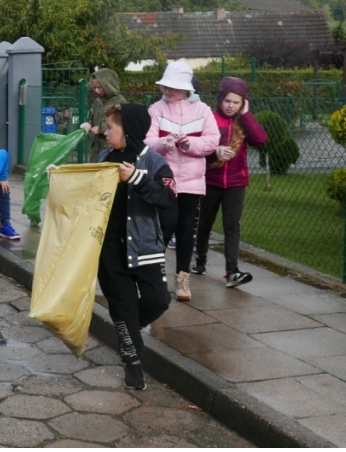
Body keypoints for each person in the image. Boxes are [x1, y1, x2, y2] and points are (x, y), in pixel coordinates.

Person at [95, 103, 176, 390]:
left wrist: (136, 179)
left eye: (111, 128)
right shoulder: (104, 157)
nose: (106, 133)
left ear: (127, 131)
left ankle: (129, 330)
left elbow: (167, 199)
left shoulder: (154, 162)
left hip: (145, 248)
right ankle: (132, 364)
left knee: (159, 300)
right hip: (109, 251)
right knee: (122, 307)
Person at [145, 61, 219, 302]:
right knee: (163, 229)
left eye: (173, 88)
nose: (168, 92)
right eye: (166, 87)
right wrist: (162, 144)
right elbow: (148, 140)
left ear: (185, 89)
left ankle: (182, 280)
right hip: (165, 180)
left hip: (191, 182)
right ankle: (156, 278)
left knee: (186, 231)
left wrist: (189, 144)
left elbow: (211, 142)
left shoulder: (203, 111)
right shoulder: (156, 109)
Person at [194, 77, 267, 287]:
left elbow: (260, 139)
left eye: (236, 102)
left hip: (236, 182)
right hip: (211, 180)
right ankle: (200, 260)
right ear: (220, 99)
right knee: (205, 223)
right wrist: (214, 151)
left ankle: (232, 271)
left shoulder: (244, 122)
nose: (230, 106)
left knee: (232, 225)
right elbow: (199, 146)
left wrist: (246, 115)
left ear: (243, 103)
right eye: (227, 101)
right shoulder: (210, 119)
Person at [80, 68, 127, 161]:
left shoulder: (121, 102)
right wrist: (88, 124)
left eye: (99, 87)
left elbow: (124, 125)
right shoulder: (97, 101)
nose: (96, 90)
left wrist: (101, 129)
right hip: (96, 150)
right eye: (95, 87)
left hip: (112, 151)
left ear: (108, 85)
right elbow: (93, 118)